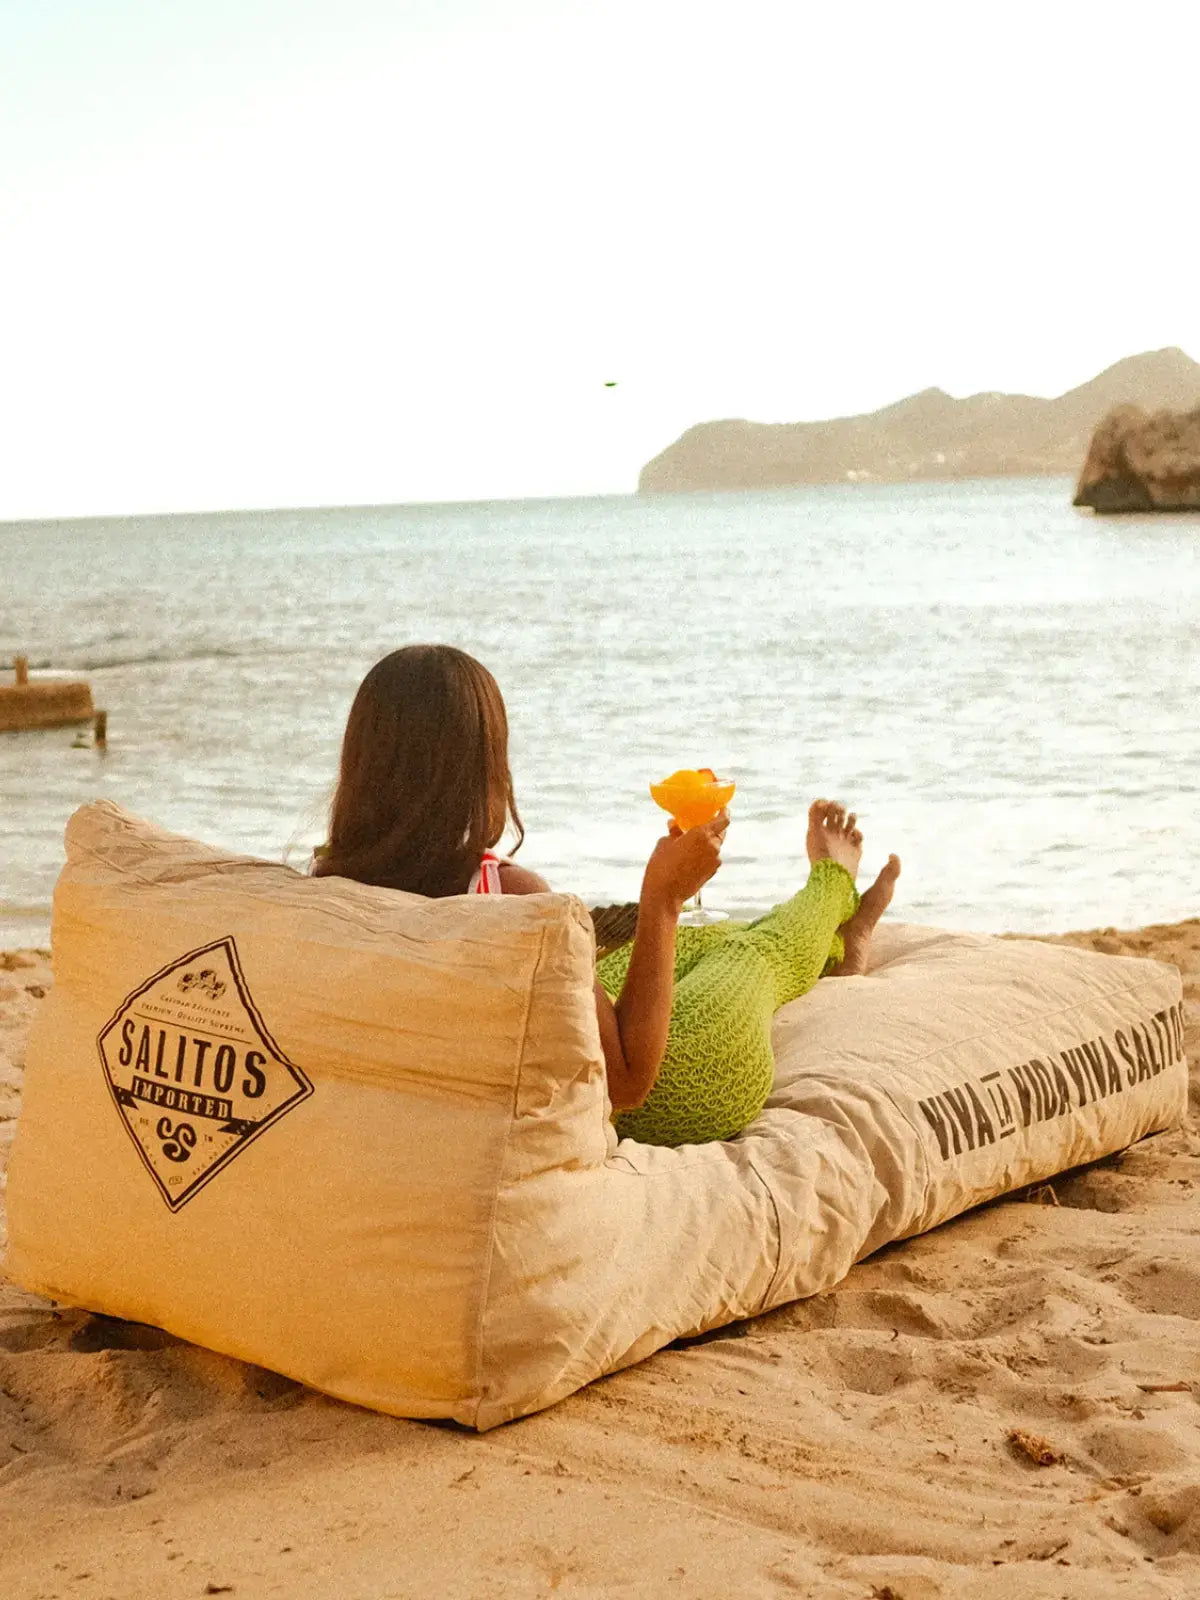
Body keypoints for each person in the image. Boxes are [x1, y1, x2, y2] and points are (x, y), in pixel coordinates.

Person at [314, 644, 901, 1148]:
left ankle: (838, 948)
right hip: (677, 1092)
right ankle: (833, 887)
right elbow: (623, 1085)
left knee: (702, 938)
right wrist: (662, 900)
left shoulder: (320, 896)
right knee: (747, 956)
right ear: (484, 764)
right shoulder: (511, 897)